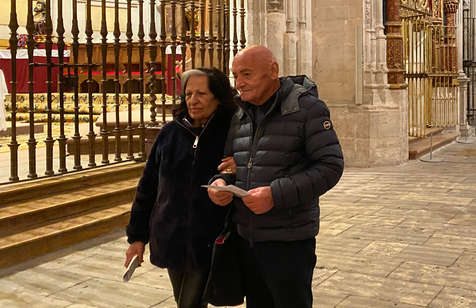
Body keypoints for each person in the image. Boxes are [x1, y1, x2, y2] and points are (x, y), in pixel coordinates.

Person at [207, 46, 344, 308]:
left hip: (288, 239)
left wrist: (275, 194)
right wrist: (221, 183)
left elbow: (330, 166)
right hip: (247, 236)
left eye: (247, 74)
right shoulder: (241, 113)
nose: (239, 83)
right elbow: (230, 164)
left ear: (273, 71)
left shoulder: (307, 109)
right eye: (235, 75)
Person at [125, 68, 238, 308]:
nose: (193, 100)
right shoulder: (170, 133)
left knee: (190, 304)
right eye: (188, 94)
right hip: (170, 236)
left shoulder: (232, 132)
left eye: (201, 93)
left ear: (217, 96)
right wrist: (137, 237)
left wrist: (237, 170)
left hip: (209, 238)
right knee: (184, 301)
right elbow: (148, 187)